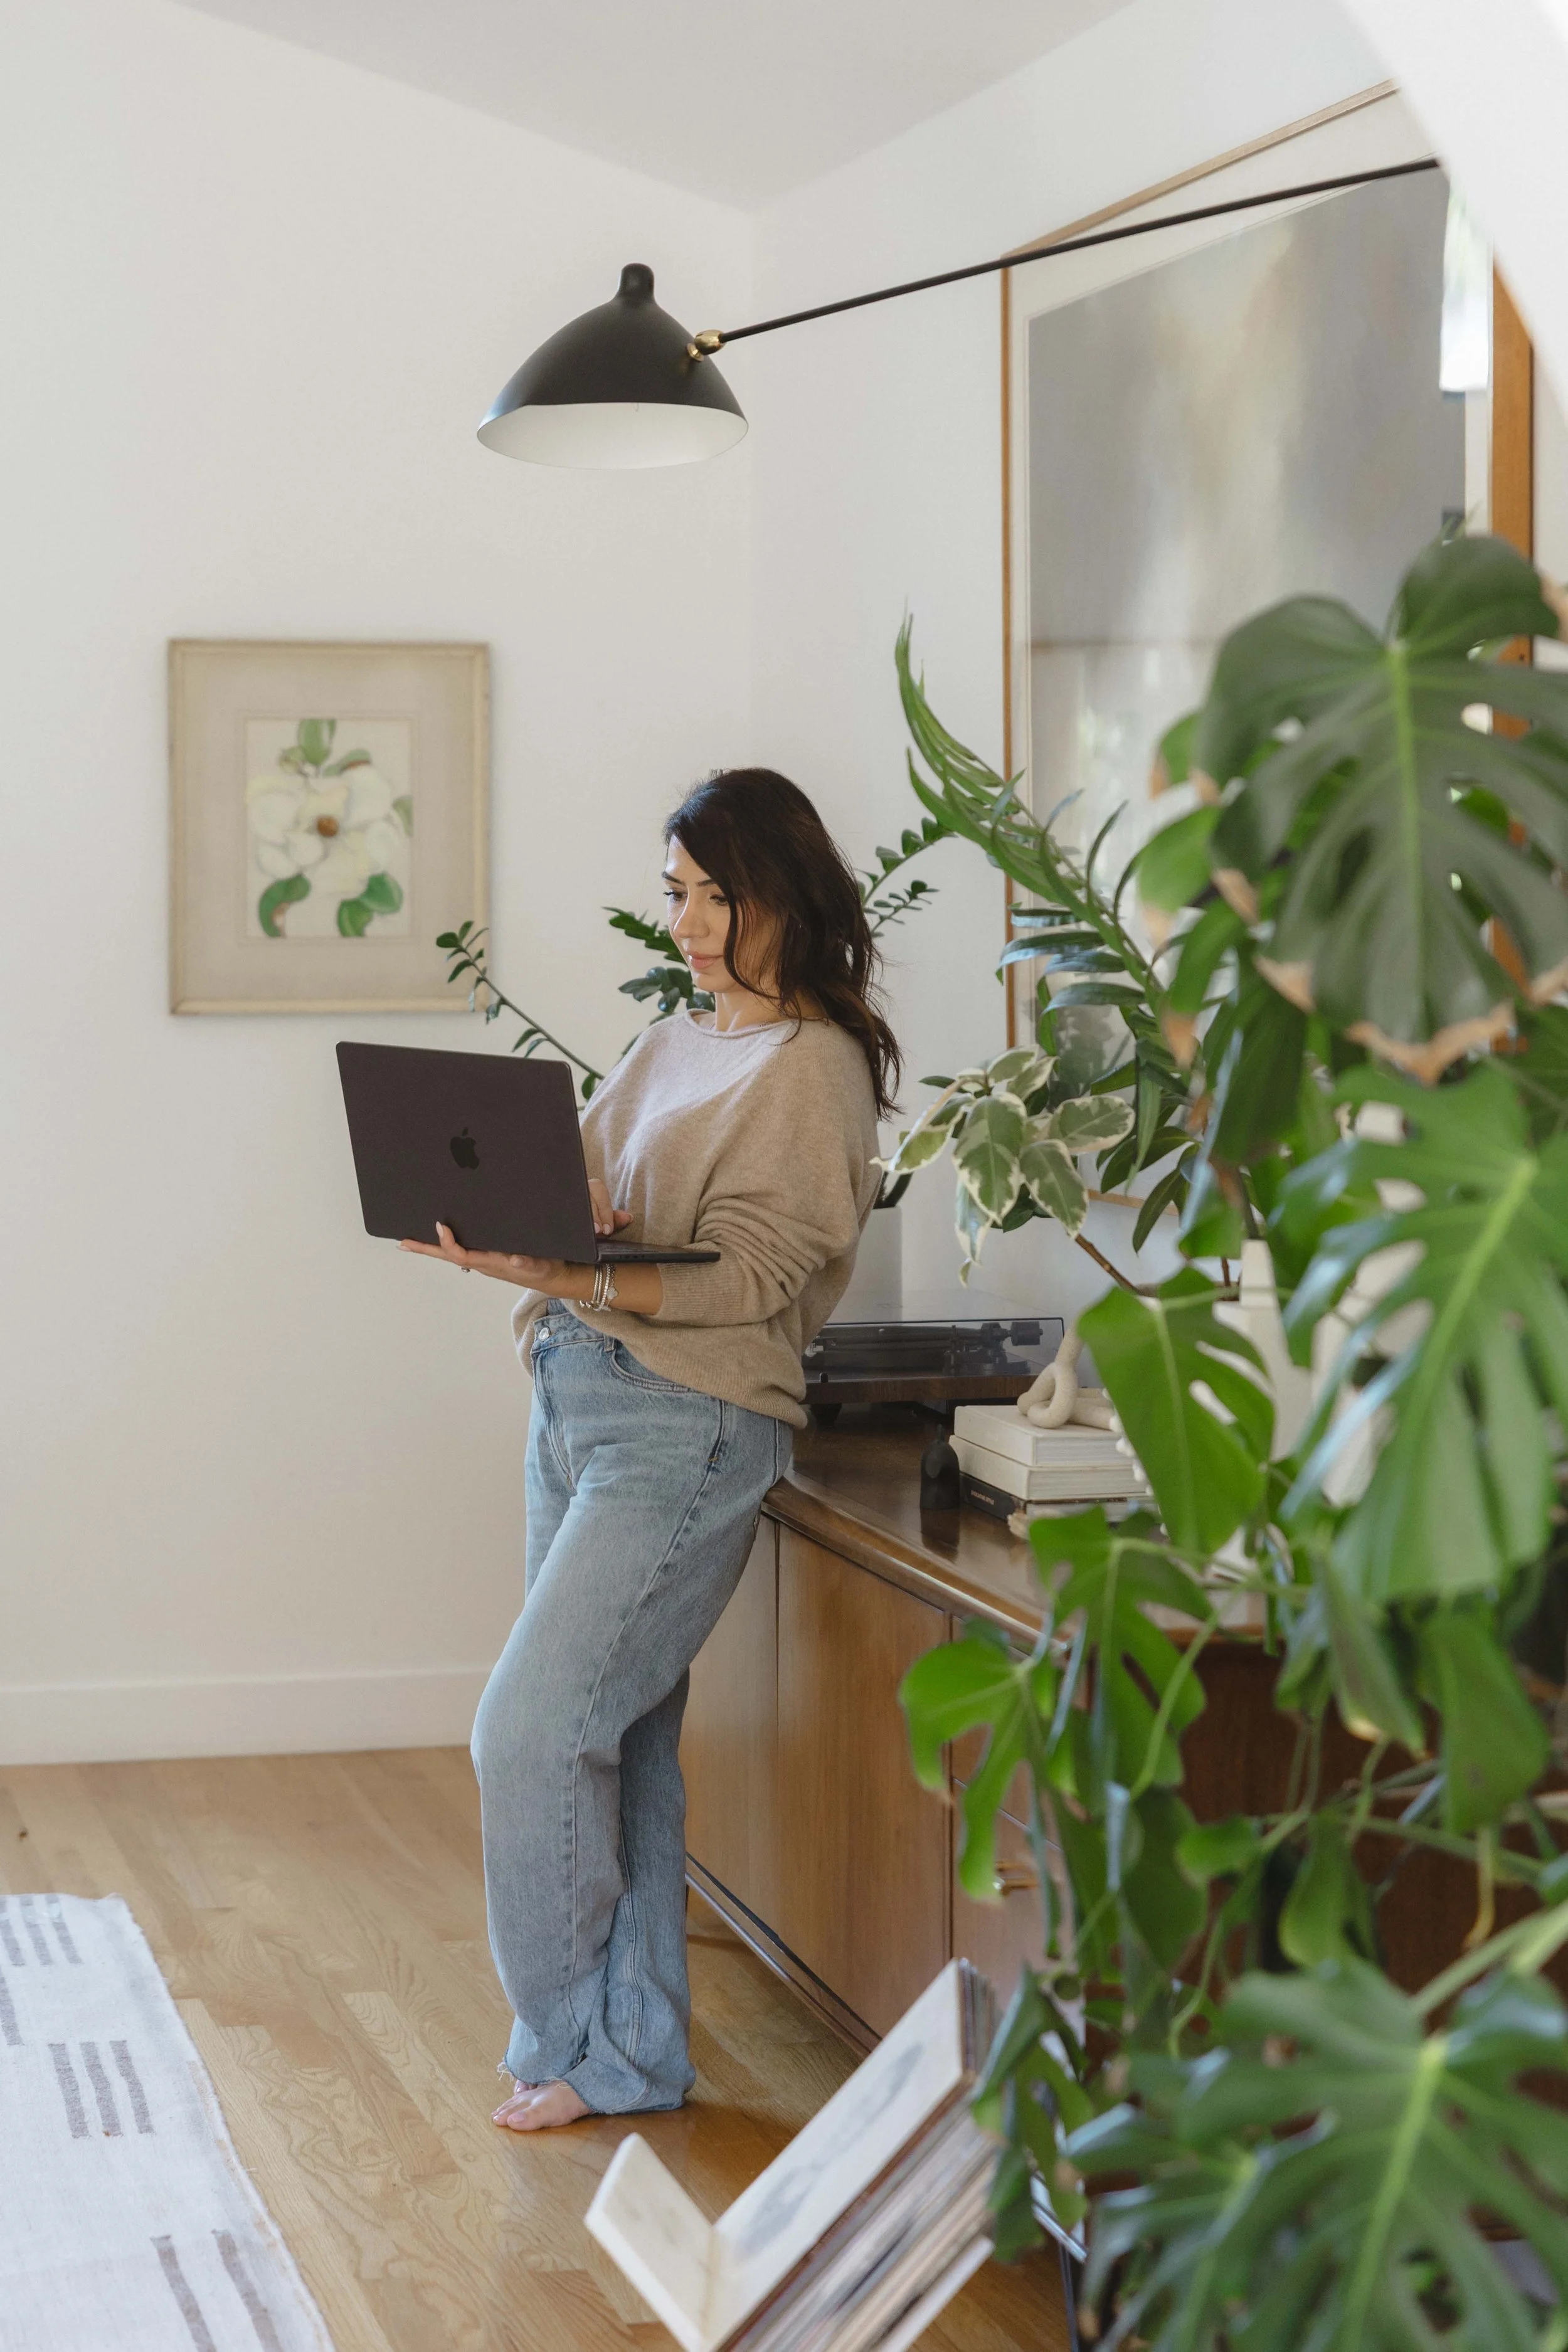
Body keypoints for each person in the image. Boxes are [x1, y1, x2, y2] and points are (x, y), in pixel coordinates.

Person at [400, 769, 898, 2131]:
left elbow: (753, 1277)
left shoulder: (816, 1070)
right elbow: (601, 1201)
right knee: (614, 1737)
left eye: (709, 894)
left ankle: (559, 2042)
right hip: (575, 1395)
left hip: (680, 1426)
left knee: (533, 1729)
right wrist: (536, 1228)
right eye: (675, 891)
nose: (682, 919)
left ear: (779, 899)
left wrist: (582, 1277)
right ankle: (629, 2057)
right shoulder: (681, 1040)